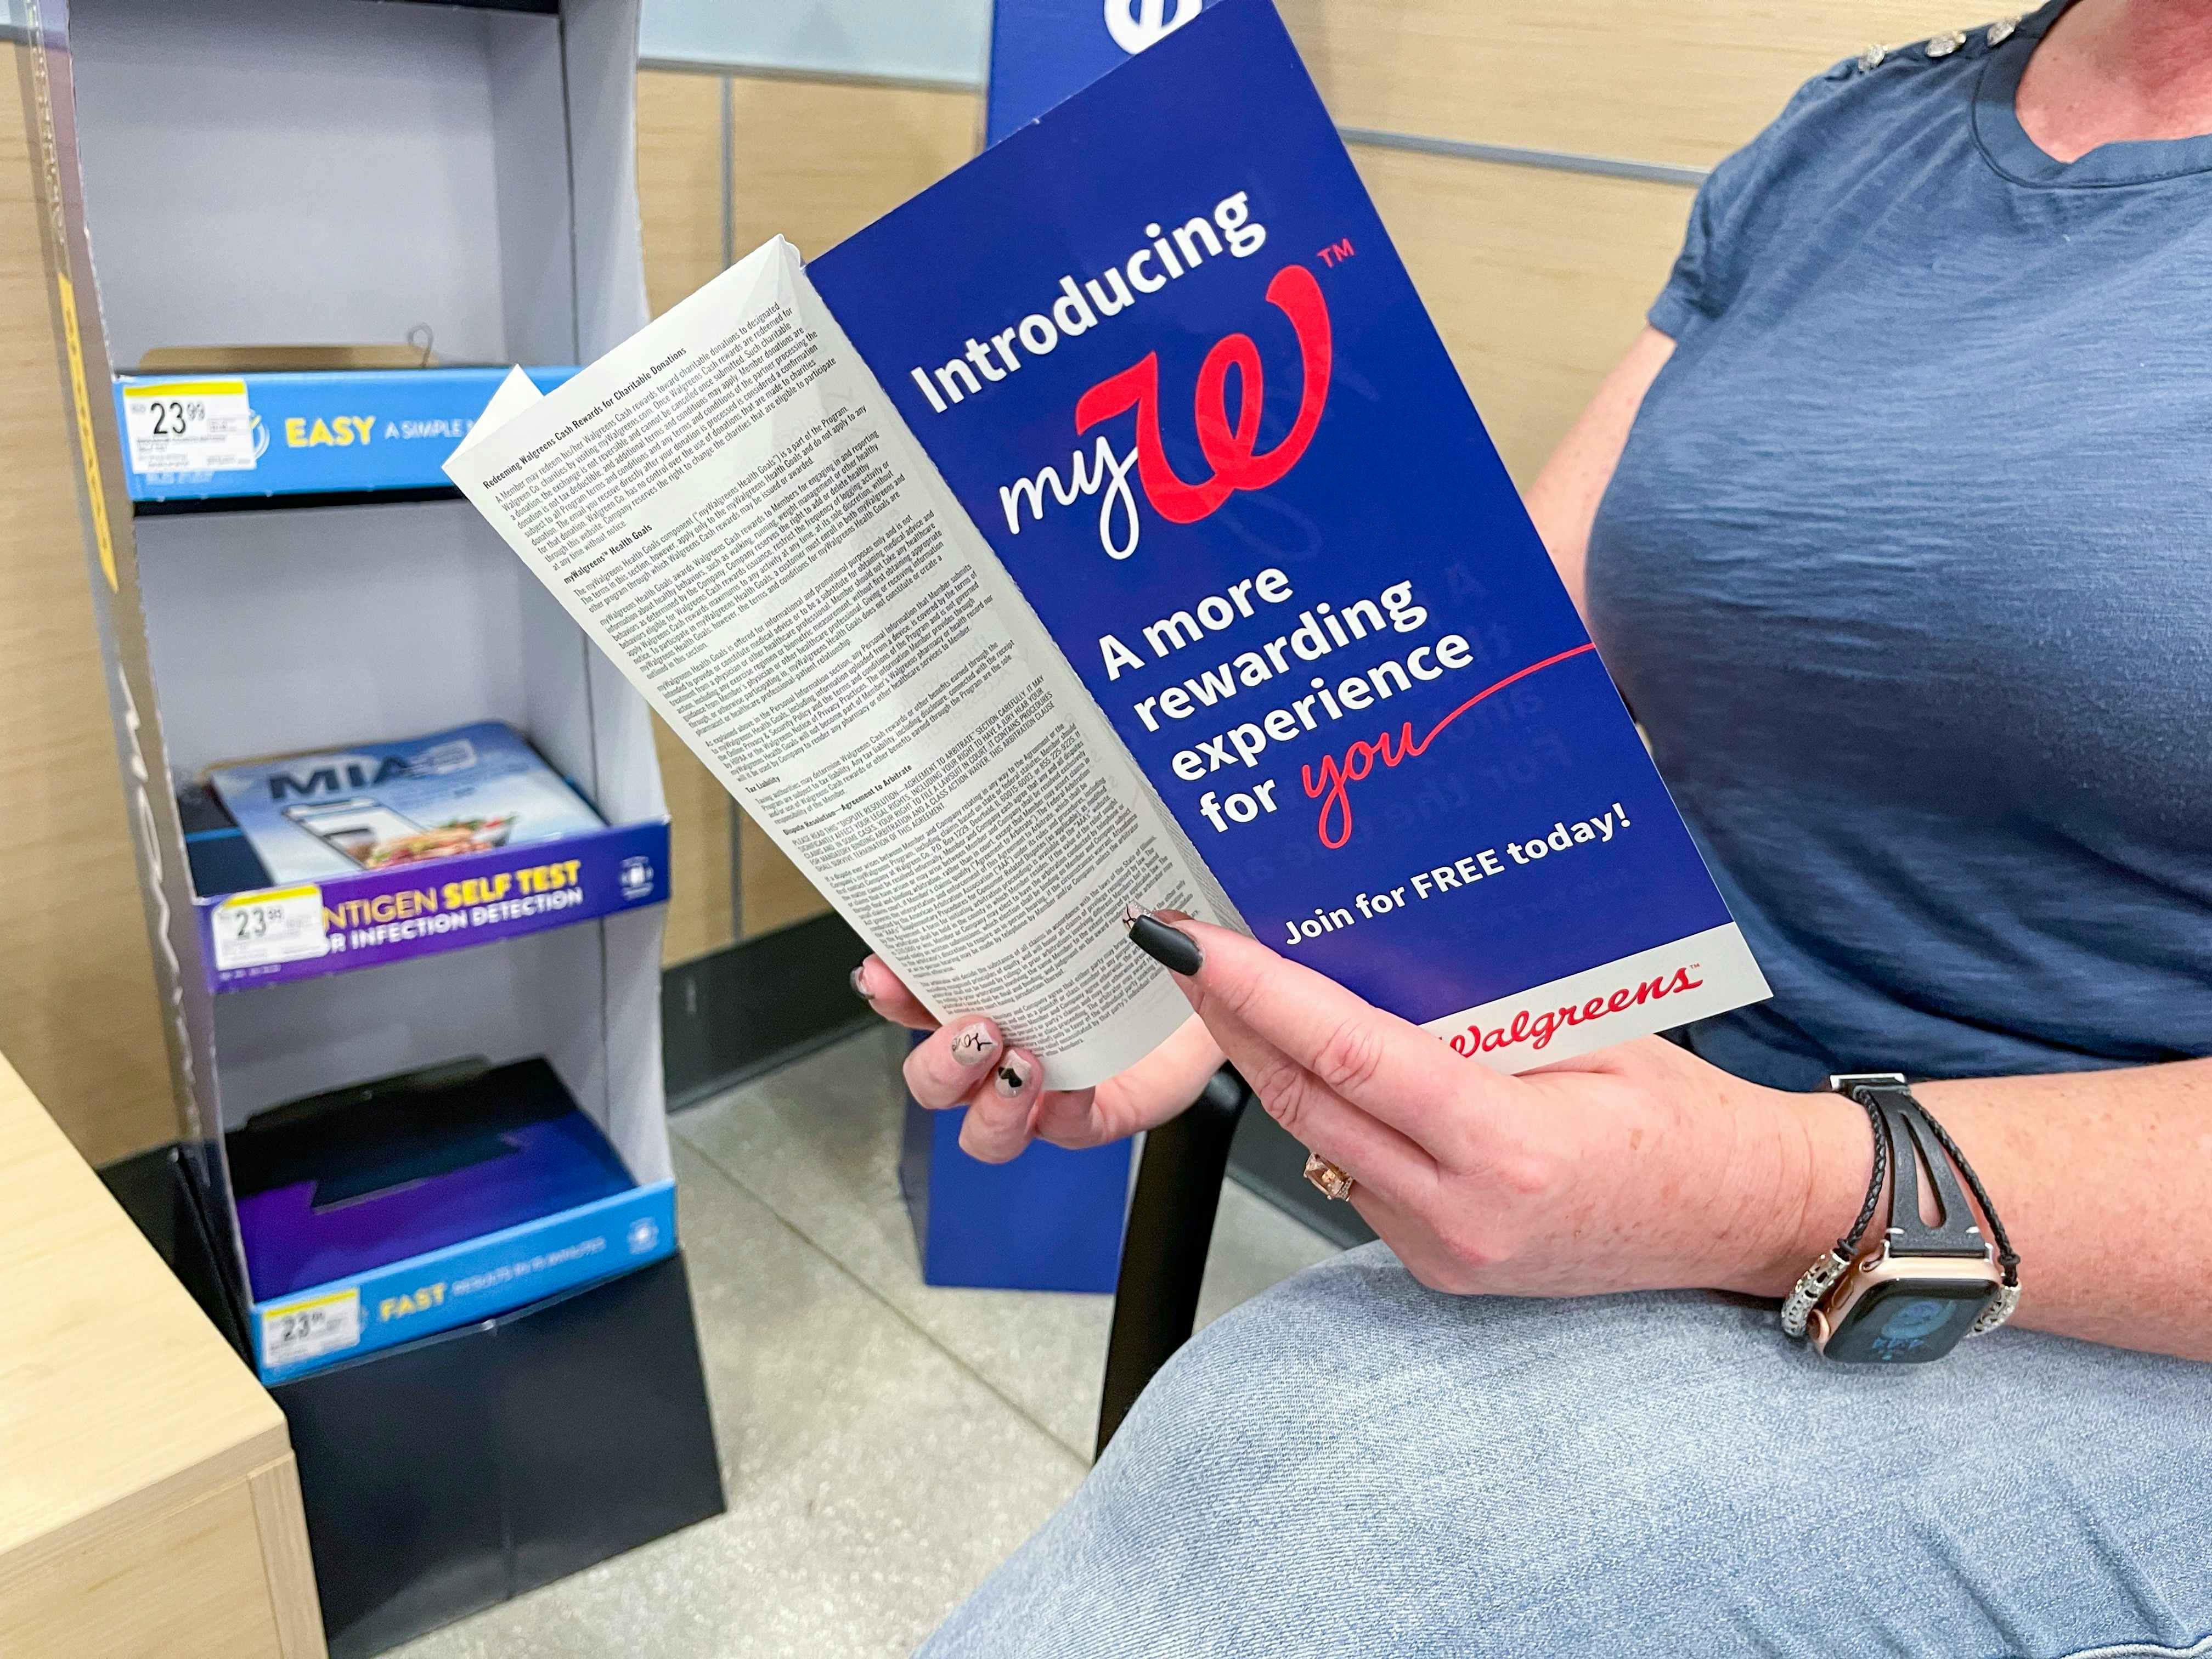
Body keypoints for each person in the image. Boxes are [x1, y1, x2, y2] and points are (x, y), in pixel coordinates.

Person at [853, 0, 2212, 1650]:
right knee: (1219, 1510)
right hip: (1651, 1148)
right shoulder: (1838, 150)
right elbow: (1498, 693)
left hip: (2116, 1300)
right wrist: (1194, 961)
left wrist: (1764, 1182)